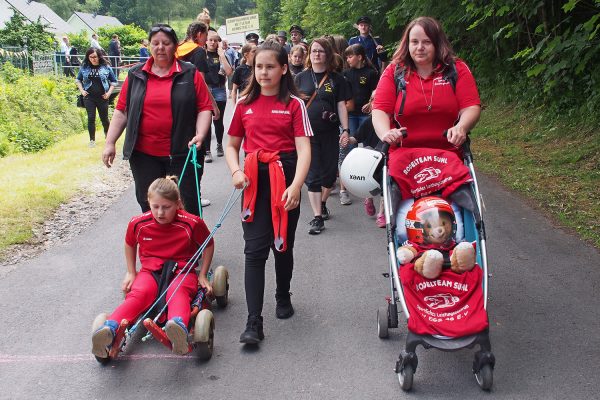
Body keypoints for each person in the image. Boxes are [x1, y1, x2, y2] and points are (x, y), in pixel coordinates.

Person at [225, 41, 311, 344]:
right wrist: (236, 170)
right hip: (253, 180)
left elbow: (303, 149)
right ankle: (253, 322)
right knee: (254, 250)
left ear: (283, 68)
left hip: (285, 176)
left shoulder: (294, 104)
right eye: (259, 66)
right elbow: (231, 143)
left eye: (270, 66)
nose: (263, 72)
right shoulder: (244, 103)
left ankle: (283, 294)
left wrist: (296, 186)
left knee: (282, 245)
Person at [371, 16, 480, 240]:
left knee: (456, 227)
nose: (419, 47)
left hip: (448, 155)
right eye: (414, 42)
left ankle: (458, 262)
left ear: (437, 43)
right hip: (405, 157)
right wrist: (385, 133)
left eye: (427, 42)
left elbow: (471, 106)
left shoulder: (456, 70)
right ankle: (412, 264)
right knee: (405, 229)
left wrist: (461, 126)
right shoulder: (395, 72)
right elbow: (380, 109)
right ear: (407, 44)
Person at [91, 176, 215, 357]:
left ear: (178, 204)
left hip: (182, 271)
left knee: (177, 292)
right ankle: (110, 328)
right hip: (151, 271)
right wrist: (131, 272)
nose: (160, 213)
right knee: (139, 293)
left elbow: (208, 244)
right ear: (148, 202)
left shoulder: (191, 223)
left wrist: (203, 275)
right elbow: (129, 243)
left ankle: (177, 326)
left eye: (166, 207)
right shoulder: (138, 223)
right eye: (155, 207)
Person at [101, 24, 214, 217]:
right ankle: (157, 246)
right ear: (150, 46)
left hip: (183, 153)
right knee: (151, 206)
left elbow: (204, 108)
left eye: (166, 43)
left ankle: (193, 245)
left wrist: (200, 135)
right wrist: (110, 142)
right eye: (156, 43)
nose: (160, 47)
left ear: (175, 46)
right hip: (144, 155)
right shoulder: (135, 74)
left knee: (186, 204)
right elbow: (122, 111)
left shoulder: (190, 72)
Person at [295, 38, 351, 235]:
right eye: (313, 51)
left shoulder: (338, 79)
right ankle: (317, 217)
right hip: (306, 134)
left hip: (330, 132)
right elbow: (292, 105)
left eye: (320, 51)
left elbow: (341, 106)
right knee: (313, 175)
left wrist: (346, 130)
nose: (316, 54)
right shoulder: (300, 78)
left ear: (328, 54)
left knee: (329, 176)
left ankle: (324, 202)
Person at [341, 44, 379, 204]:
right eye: (347, 56)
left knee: (370, 150)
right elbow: (342, 94)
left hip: (365, 116)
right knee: (348, 149)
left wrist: (371, 103)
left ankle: (368, 186)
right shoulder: (345, 74)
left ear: (360, 57)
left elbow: (377, 92)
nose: (348, 59)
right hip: (351, 115)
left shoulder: (371, 73)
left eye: (350, 56)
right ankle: (344, 189)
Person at [76, 47, 117, 147]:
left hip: (103, 97)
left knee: (104, 118)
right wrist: (82, 90)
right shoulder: (84, 67)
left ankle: (108, 137)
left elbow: (114, 81)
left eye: (95, 57)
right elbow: (78, 80)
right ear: (88, 57)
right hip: (89, 97)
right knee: (91, 118)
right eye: (91, 57)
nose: (93, 59)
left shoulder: (106, 67)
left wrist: (108, 93)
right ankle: (92, 140)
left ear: (99, 56)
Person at [204, 31, 233, 161]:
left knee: (218, 120)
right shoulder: (201, 54)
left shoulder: (222, 54)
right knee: (206, 121)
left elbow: (229, 71)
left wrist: (222, 55)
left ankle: (219, 145)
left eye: (215, 40)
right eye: (210, 40)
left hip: (219, 89)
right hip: (205, 89)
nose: (213, 43)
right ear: (205, 40)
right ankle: (207, 150)